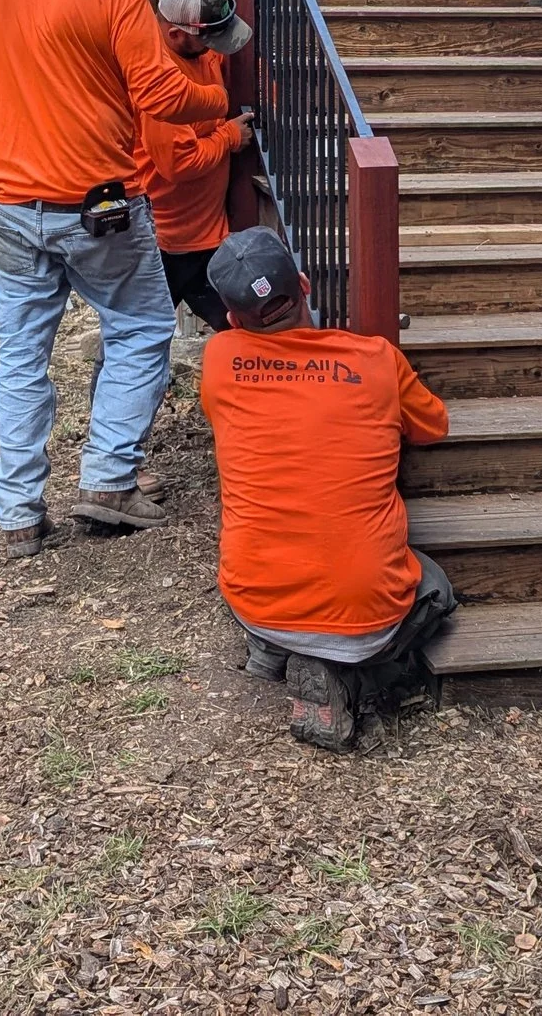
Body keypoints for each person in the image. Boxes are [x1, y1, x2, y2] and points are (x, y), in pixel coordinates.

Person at [0, 0, 231, 559]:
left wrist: (22, 85)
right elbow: (164, 98)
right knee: (142, 324)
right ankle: (107, 480)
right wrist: (223, 108)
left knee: (21, 355)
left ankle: (17, 514)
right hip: (99, 208)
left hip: (9, 205)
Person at [197, 227, 458, 750]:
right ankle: (354, 678)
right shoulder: (377, 359)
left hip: (257, 597)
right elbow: (435, 426)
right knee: (436, 589)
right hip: (367, 612)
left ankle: (275, 649)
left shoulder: (220, 361)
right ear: (305, 285)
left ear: (231, 318)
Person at [141, 0, 254, 333]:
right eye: (210, 36)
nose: (216, 47)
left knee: (242, 328)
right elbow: (179, 163)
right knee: (140, 340)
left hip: (208, 237)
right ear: (176, 33)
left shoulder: (201, 51)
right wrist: (230, 137)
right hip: (165, 243)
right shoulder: (158, 81)